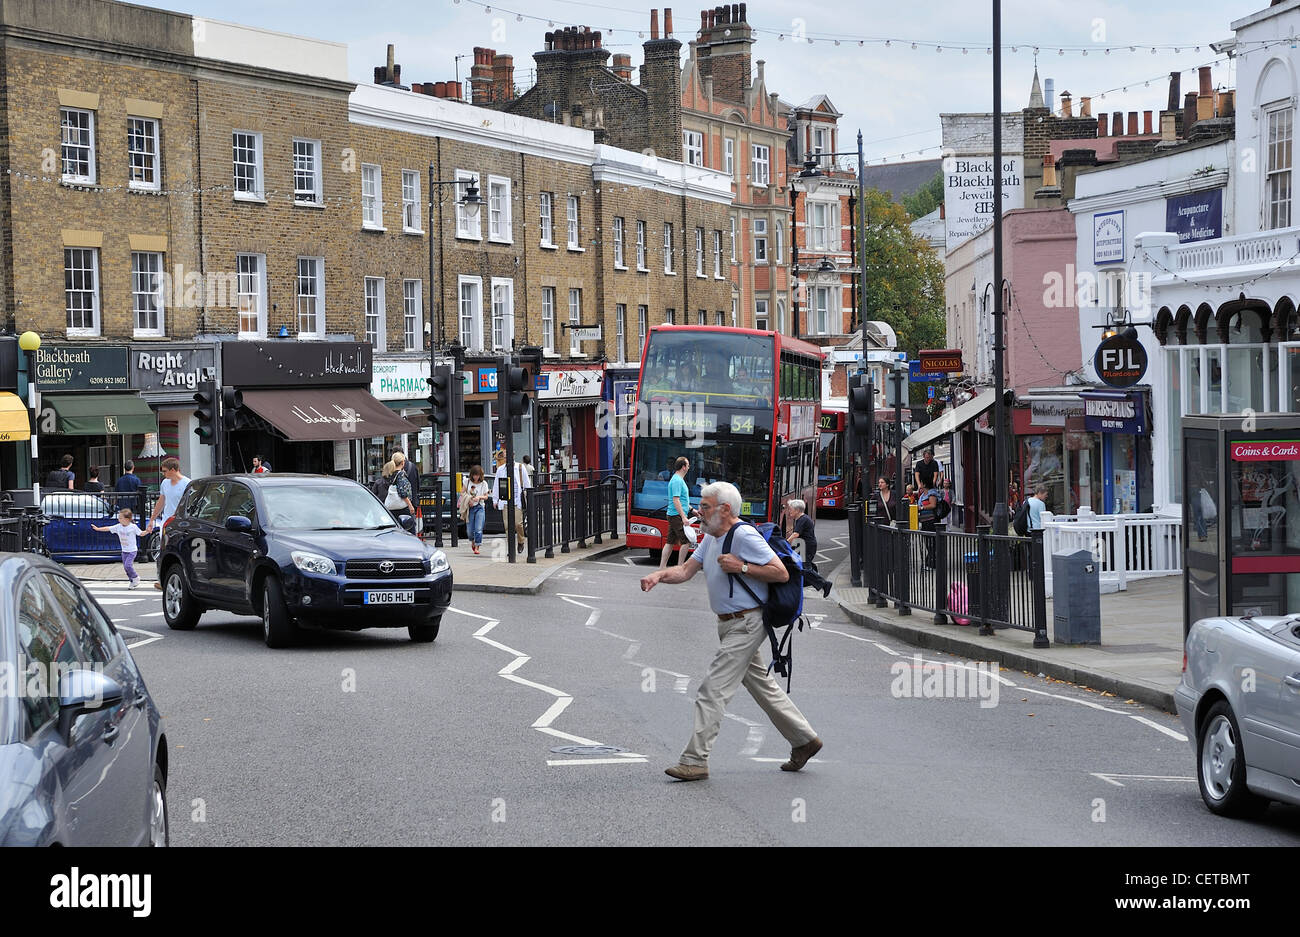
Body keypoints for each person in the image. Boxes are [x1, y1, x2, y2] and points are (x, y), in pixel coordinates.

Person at [640, 481, 822, 782]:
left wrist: (743, 567)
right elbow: (686, 571)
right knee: (764, 688)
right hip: (727, 624)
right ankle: (804, 740)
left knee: (712, 688)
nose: (699, 510)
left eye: (706, 506)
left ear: (725, 510)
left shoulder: (744, 536)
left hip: (746, 623)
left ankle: (694, 761)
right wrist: (659, 574)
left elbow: (781, 572)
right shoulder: (712, 537)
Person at [147, 457, 191, 590]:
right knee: (163, 550)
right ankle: (162, 580)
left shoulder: (187, 483)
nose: (163, 474)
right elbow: (161, 501)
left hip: (181, 524)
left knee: (179, 551)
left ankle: (182, 578)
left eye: (165, 471)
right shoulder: (165, 483)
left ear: (173, 470)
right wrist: (152, 519)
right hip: (166, 523)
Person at [92, 508, 147, 589]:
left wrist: (148, 531)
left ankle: (135, 577)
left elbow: (141, 533)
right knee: (126, 567)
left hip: (132, 550)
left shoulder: (133, 527)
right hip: (124, 551)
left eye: (121, 518)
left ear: (127, 519)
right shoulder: (118, 527)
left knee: (128, 565)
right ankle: (132, 581)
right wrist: (97, 529)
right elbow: (108, 528)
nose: (119, 519)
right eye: (119, 518)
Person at [660, 456, 693, 569]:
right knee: (686, 541)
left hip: (675, 514)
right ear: (683, 467)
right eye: (688, 465)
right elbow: (676, 500)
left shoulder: (678, 480)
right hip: (676, 516)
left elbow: (682, 500)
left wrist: (692, 510)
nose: (689, 467)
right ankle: (680, 567)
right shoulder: (677, 481)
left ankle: (662, 567)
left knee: (670, 542)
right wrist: (683, 517)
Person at [493, 451, 531, 552]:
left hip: (517, 500)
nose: (505, 459)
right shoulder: (500, 469)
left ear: (513, 456)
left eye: (506, 457)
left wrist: (529, 496)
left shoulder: (520, 467)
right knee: (507, 526)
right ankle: (511, 548)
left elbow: (527, 483)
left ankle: (521, 541)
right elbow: (497, 485)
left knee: (518, 524)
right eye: (504, 457)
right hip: (505, 500)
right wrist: (495, 499)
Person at [785, 498, 818, 573]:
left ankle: (822, 584)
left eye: (790, 509)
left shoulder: (803, 519)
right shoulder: (801, 519)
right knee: (802, 564)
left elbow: (795, 534)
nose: (789, 511)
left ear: (797, 510)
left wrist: (786, 542)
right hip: (803, 545)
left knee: (805, 566)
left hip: (807, 546)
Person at [464, 465, 491, 555]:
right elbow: (462, 493)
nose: (476, 477)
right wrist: (469, 499)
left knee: (478, 528)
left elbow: (486, 496)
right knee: (470, 530)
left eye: (478, 475)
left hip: (480, 507)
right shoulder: (467, 482)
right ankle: (472, 541)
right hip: (470, 507)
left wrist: (479, 497)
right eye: (474, 475)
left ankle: (477, 546)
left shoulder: (484, 484)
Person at [382, 456, 415, 525]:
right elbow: (402, 492)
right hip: (402, 508)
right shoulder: (400, 474)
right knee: (409, 530)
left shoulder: (391, 473)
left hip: (392, 507)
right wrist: (410, 506)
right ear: (402, 463)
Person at [917, 485, 940, 568]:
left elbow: (933, 505)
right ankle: (930, 561)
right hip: (924, 521)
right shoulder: (923, 495)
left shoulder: (931, 493)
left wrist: (921, 508)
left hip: (931, 521)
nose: (919, 485)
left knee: (931, 542)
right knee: (927, 542)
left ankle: (932, 562)